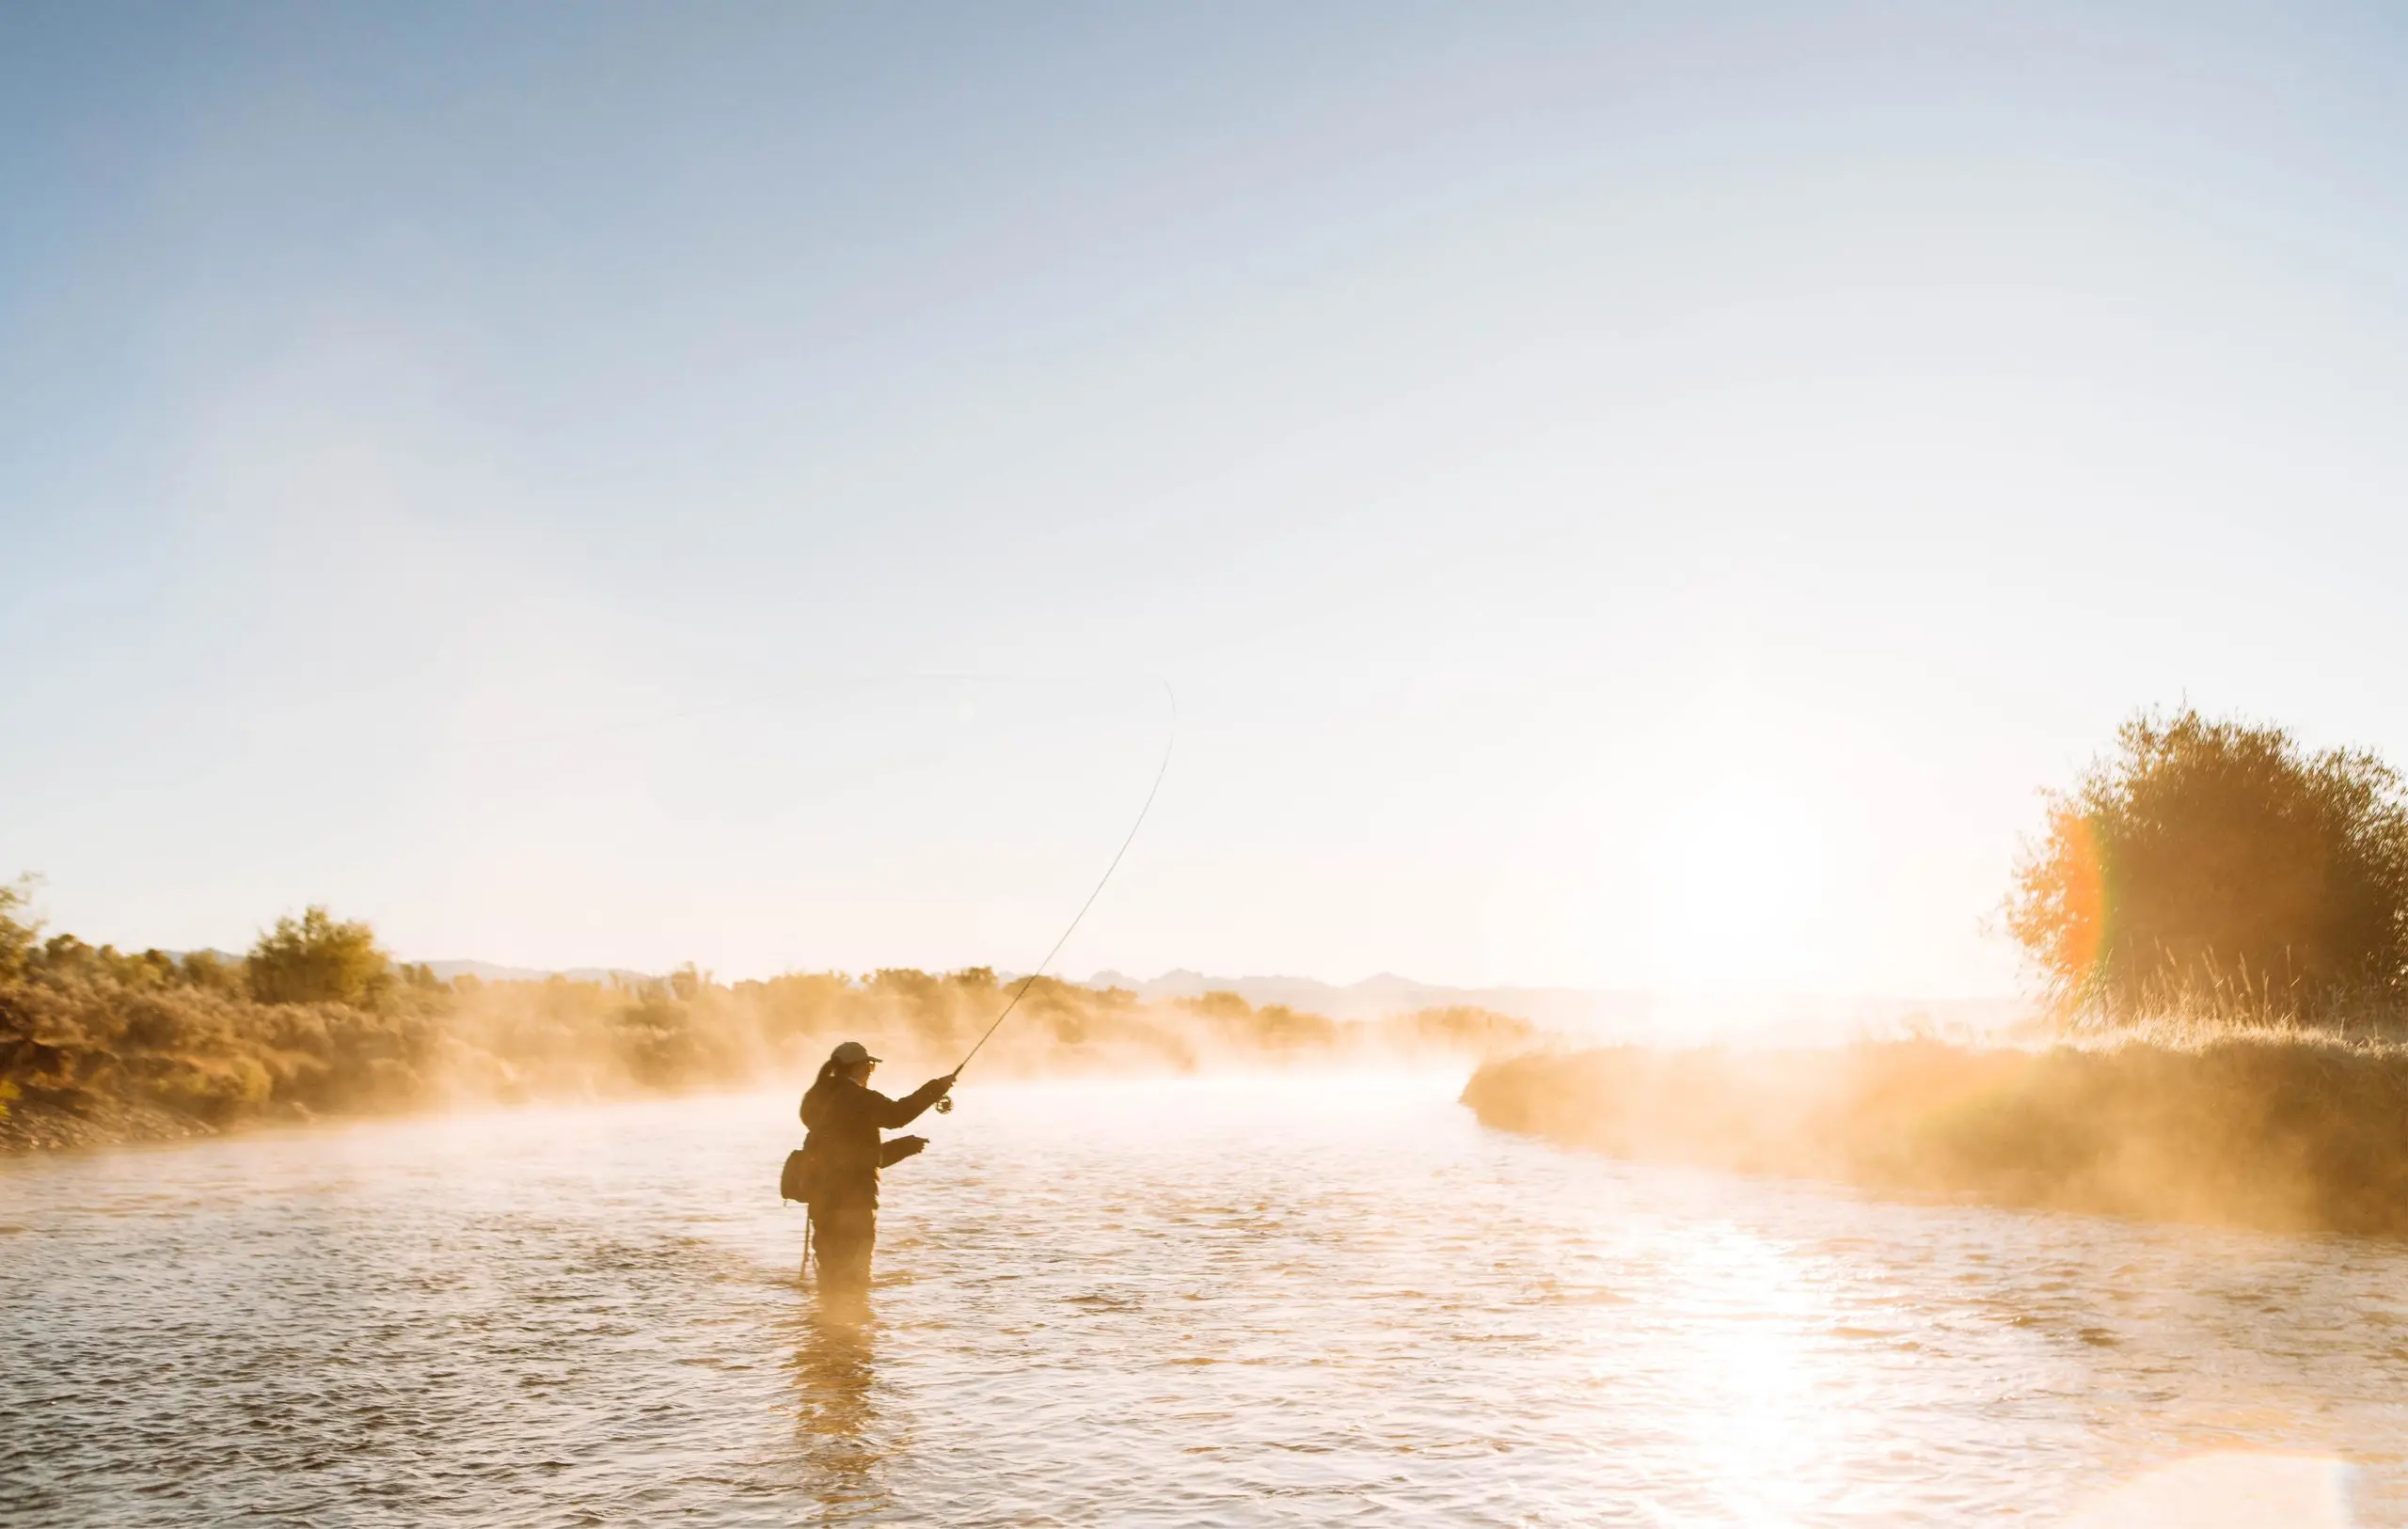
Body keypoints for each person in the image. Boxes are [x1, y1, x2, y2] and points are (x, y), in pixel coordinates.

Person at [800, 1040, 953, 1302]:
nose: (870, 1072)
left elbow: (852, 1155)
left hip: (822, 1201)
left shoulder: (816, 1099)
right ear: (859, 1067)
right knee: (856, 1279)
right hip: (854, 1202)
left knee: (830, 1275)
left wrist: (903, 1148)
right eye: (870, 1066)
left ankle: (828, 1321)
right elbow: (897, 1115)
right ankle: (853, 1321)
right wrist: (936, 1088)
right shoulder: (858, 1098)